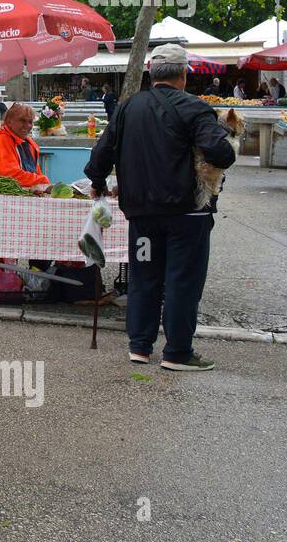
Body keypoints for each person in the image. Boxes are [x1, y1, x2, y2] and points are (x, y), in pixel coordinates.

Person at [84, 43, 235, 372]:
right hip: (187, 214)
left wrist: (96, 180)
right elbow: (220, 152)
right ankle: (178, 353)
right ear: (183, 74)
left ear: (152, 73)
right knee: (182, 280)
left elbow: (101, 154)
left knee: (145, 278)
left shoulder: (127, 108)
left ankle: (139, 346)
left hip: (142, 214)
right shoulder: (194, 108)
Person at [0, 104, 50, 189]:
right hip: (1, 195)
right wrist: (42, 180)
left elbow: (36, 173)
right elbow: (10, 176)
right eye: (22, 121)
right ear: (9, 121)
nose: (28, 126)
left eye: (30, 122)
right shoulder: (1, 140)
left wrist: (41, 181)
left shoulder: (28, 143)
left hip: (24, 192)